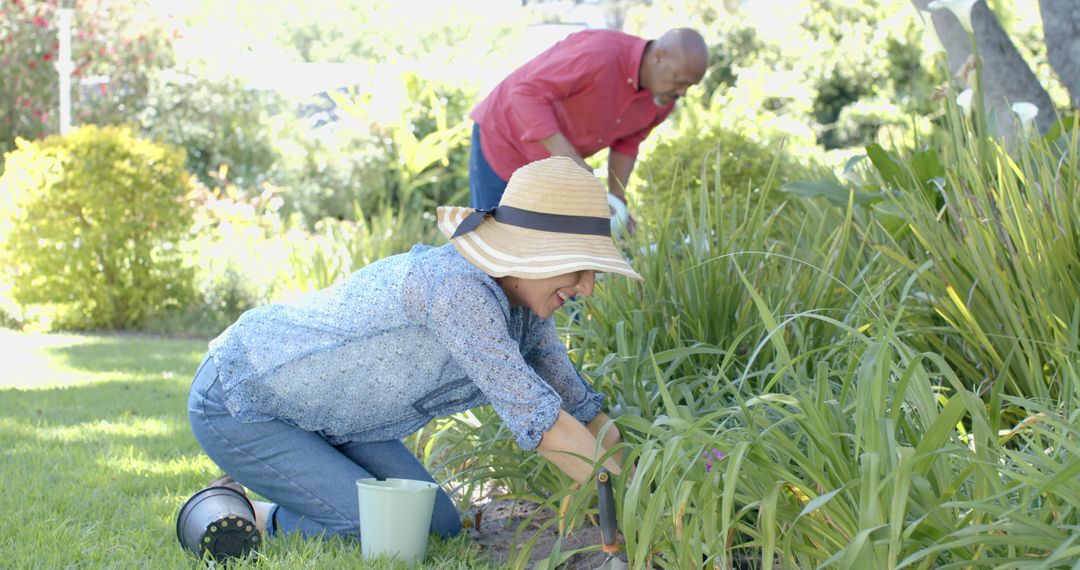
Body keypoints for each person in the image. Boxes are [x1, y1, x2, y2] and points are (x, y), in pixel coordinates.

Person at [184, 156, 642, 547]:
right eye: (580, 266)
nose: (588, 286)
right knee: (387, 533)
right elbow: (542, 424)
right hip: (244, 396)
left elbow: (578, 408)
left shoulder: (527, 312)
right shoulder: (457, 291)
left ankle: (298, 490)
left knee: (436, 527)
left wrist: (656, 488)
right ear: (533, 252)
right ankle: (252, 513)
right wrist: (644, 513)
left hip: (338, 414)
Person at [468, 27, 709, 232]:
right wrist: (571, 160)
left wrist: (618, 205)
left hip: (551, 167)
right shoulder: (599, 52)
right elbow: (524, 93)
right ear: (658, 56)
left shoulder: (662, 99)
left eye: (690, 85)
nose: (682, 92)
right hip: (503, 142)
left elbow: (626, 143)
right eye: (680, 81)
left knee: (546, 256)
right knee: (492, 243)